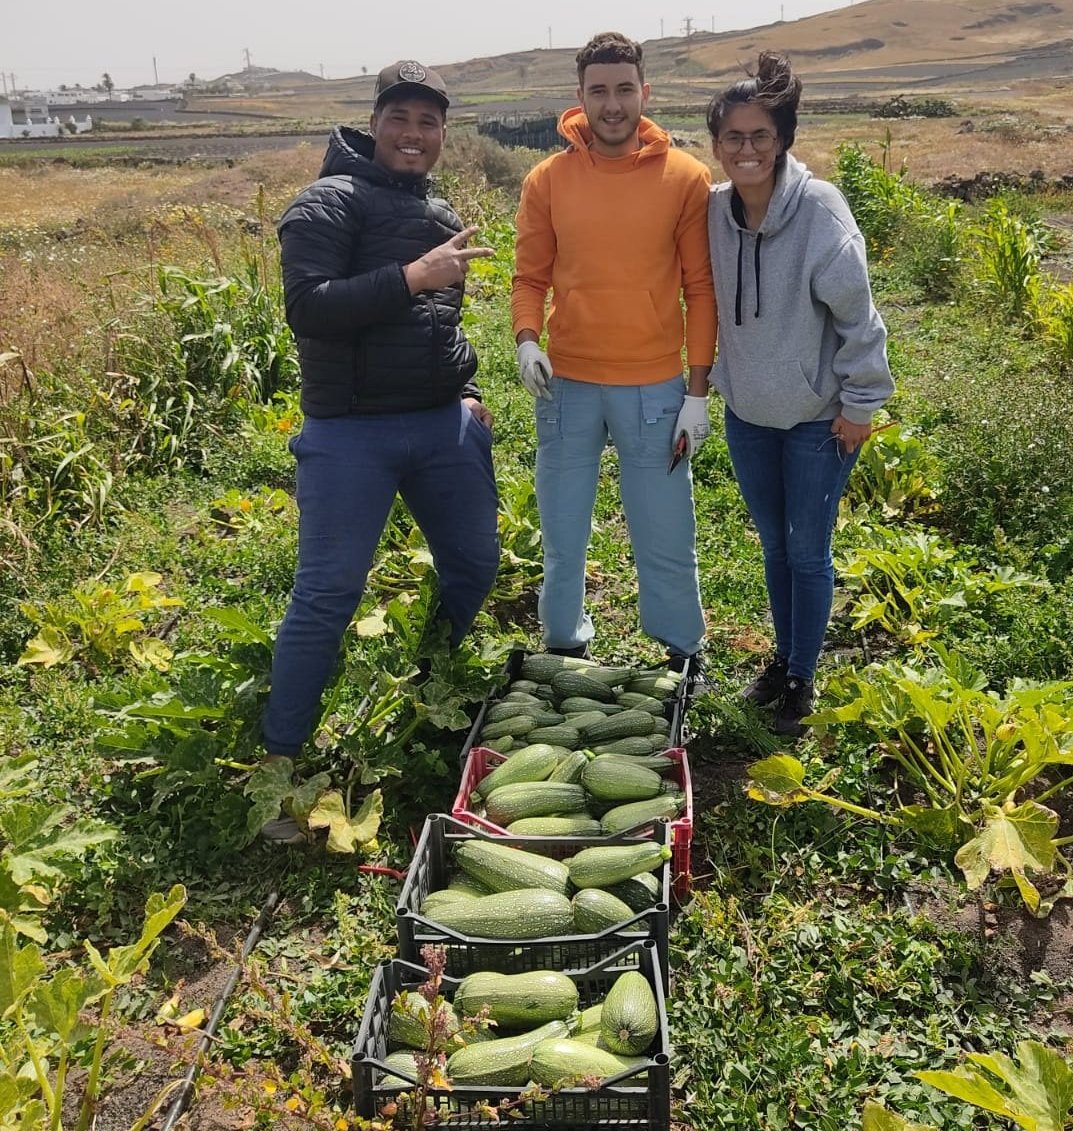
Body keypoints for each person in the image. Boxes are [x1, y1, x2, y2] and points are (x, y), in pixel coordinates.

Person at [261, 59, 500, 778]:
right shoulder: (327, 201)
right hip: (350, 431)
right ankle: (282, 753)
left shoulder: (441, 216)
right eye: (399, 118)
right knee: (328, 592)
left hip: (439, 425)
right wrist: (411, 276)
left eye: (428, 122)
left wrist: (465, 390)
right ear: (372, 126)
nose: (413, 133)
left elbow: (437, 319)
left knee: (475, 564)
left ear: (442, 135)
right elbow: (309, 307)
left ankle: (431, 681)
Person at [511, 31, 717, 672]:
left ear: (644, 93)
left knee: (664, 531)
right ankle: (564, 642)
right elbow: (529, 277)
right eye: (598, 91)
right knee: (563, 528)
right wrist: (525, 340)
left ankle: (682, 650)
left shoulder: (686, 177)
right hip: (567, 384)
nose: (612, 104)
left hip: (655, 389)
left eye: (624, 89)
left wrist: (697, 393)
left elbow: (700, 288)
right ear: (580, 98)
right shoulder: (547, 180)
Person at [706, 52, 895, 736]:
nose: (747, 149)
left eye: (760, 135)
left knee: (807, 549)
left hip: (818, 419)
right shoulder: (713, 214)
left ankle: (802, 677)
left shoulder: (820, 212)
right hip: (749, 415)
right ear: (717, 144)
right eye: (733, 137)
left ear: (782, 138)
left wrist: (861, 406)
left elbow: (859, 317)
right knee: (774, 547)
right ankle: (781, 660)